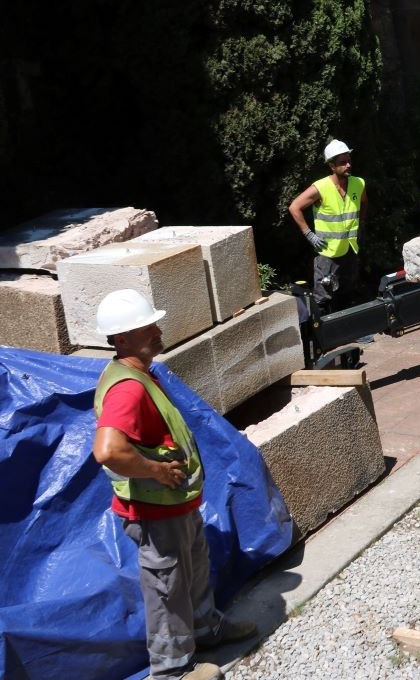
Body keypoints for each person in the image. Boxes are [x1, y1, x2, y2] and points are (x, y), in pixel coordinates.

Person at [91, 289, 256, 680]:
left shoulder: (139, 374)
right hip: (154, 510)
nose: (157, 330)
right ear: (121, 339)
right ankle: (172, 670)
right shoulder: (128, 388)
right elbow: (108, 450)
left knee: (194, 570)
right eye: (146, 326)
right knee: (166, 589)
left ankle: (206, 630)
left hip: (173, 505)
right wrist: (156, 471)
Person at [288, 139, 367, 314]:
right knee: (323, 296)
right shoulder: (321, 187)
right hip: (328, 253)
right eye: (342, 162)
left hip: (350, 248)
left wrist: (361, 225)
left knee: (348, 292)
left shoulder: (358, 183)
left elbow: (364, 203)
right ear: (331, 165)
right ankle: (324, 336)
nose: (348, 165)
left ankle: (349, 331)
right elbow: (294, 207)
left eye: (349, 161)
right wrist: (309, 234)